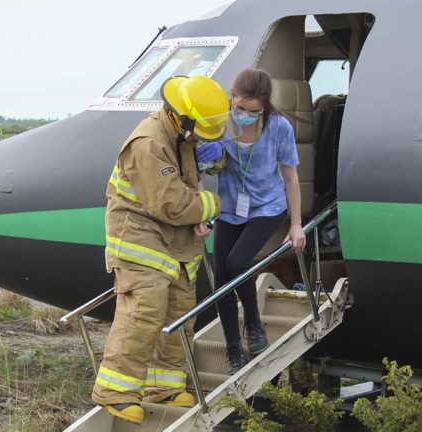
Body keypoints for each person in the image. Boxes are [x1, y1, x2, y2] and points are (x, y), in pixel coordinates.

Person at [92, 75, 227, 425]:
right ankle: (116, 391)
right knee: (145, 309)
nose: (200, 141)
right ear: (181, 118)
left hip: (176, 239)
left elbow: (185, 186)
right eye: (200, 134)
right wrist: (209, 205)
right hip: (139, 236)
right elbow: (170, 203)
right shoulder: (149, 143)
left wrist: (210, 169)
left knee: (180, 311)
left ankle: (163, 387)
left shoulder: (182, 133)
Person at [196, 68, 306, 374]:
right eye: (240, 108)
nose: (244, 115)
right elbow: (200, 172)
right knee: (221, 276)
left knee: (238, 262)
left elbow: (290, 176)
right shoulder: (222, 125)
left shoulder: (279, 127)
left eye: (253, 111)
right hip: (230, 208)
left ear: (265, 106)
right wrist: (202, 213)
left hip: (268, 207)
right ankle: (234, 348)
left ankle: (254, 325)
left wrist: (296, 224)